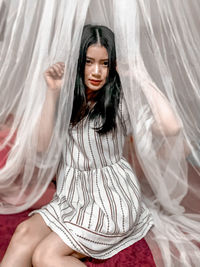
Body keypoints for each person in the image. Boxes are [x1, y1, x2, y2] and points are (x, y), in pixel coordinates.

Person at [1, 24, 181, 267]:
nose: (97, 71)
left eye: (104, 63)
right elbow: (42, 146)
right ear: (79, 62)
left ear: (112, 66)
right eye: (89, 61)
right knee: (23, 233)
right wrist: (52, 93)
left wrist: (141, 76)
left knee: (45, 256)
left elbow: (172, 127)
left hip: (110, 199)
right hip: (72, 197)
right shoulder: (67, 99)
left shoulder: (119, 104)